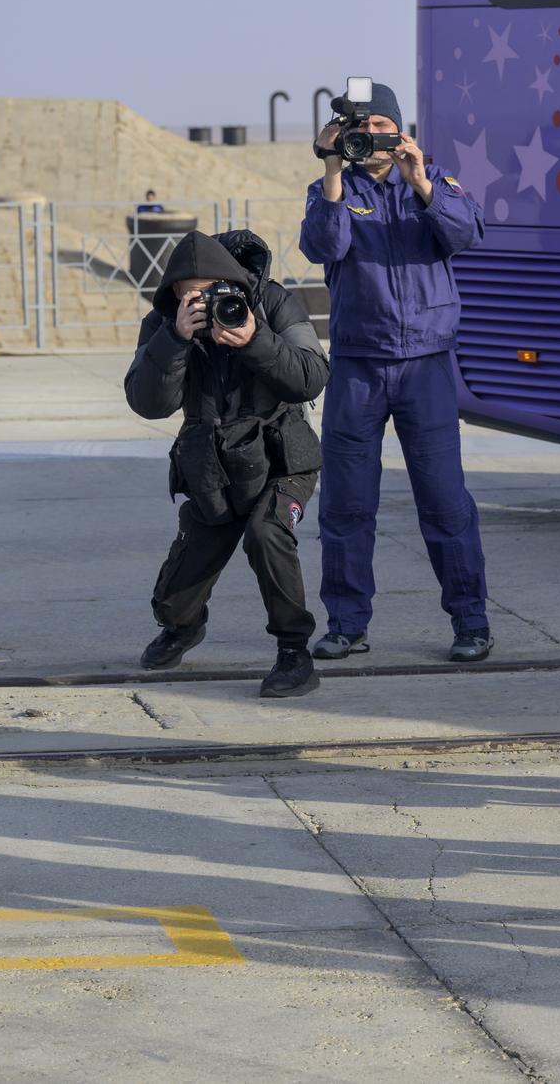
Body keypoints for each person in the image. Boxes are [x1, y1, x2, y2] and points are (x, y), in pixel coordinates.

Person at [297, 81, 494, 664]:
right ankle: (346, 623)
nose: (372, 139)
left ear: (399, 129)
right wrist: (333, 170)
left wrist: (421, 180)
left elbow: (467, 234)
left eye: (381, 127)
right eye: (360, 130)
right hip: (359, 365)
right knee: (347, 504)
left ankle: (471, 621)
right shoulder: (329, 188)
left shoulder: (433, 183)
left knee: (444, 500)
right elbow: (322, 248)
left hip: (426, 366)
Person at [128, 228, 330, 695]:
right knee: (178, 591)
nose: (205, 302)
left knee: (267, 534)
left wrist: (255, 340)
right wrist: (176, 339)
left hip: (281, 457)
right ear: (175, 295)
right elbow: (148, 403)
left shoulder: (274, 304)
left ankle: (294, 653)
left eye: (213, 290)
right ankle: (182, 627)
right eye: (189, 295)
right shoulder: (163, 325)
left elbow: (311, 378)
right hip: (210, 465)